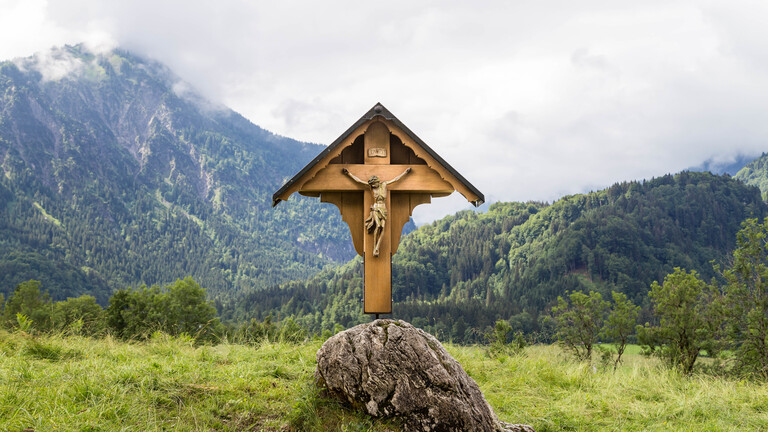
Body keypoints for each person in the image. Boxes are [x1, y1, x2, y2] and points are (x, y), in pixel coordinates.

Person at [342, 167, 411, 257]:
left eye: (374, 184)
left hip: (383, 209)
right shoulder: (371, 189)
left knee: (382, 228)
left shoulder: (384, 185)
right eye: (372, 185)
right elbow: (358, 181)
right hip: (375, 208)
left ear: (377, 182)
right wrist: (349, 174)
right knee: (378, 226)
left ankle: (377, 247)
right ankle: (375, 247)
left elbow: (396, 179)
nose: (373, 186)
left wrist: (405, 172)